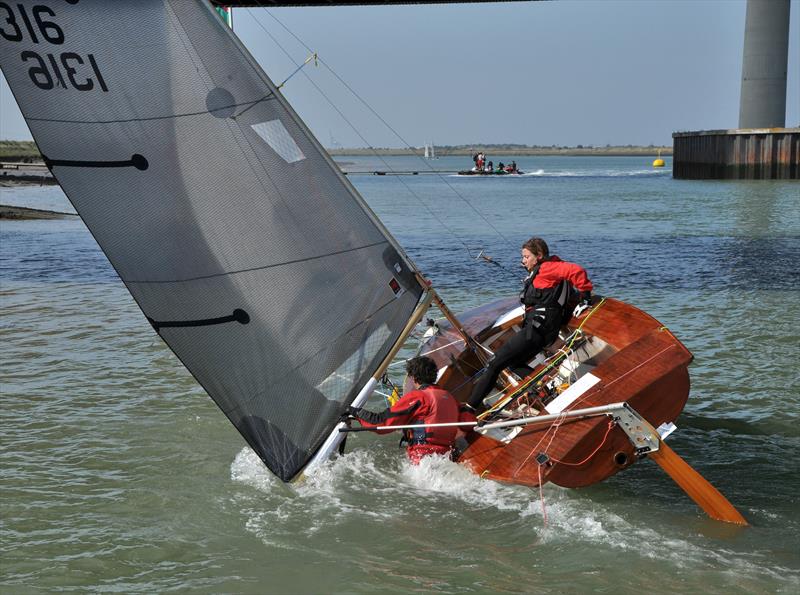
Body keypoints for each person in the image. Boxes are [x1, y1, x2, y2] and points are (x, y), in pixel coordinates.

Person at [466, 237, 593, 412]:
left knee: (494, 363)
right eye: (523, 257)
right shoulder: (542, 270)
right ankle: (548, 392)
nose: (523, 260)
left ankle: (470, 407)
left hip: (537, 330)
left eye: (526, 257)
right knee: (512, 363)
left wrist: (585, 297)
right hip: (539, 330)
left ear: (539, 255)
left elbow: (576, 270)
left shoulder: (549, 268)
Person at [343, 356, 475, 463]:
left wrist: (354, 412)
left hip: (422, 460)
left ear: (414, 378)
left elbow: (382, 424)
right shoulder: (451, 398)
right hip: (447, 459)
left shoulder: (419, 397)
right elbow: (468, 422)